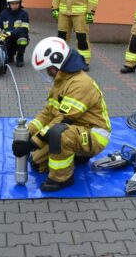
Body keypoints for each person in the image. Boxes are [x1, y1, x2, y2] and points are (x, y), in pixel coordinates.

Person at [12, 37, 112, 192]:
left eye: (48, 68)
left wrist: (33, 143)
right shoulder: (62, 81)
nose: (47, 72)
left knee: (59, 133)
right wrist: (28, 133)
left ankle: (62, 178)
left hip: (94, 134)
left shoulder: (80, 83)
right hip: (76, 128)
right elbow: (47, 113)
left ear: (57, 64)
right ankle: (78, 156)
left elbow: (62, 119)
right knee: (37, 163)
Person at [0, 0, 30, 67]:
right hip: (7, 37)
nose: (14, 5)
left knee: (23, 38)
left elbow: (24, 29)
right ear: (8, 4)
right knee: (0, 39)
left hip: (19, 36)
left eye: (16, 3)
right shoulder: (3, 14)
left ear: (20, 3)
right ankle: (10, 55)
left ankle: (20, 57)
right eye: (12, 3)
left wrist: (10, 33)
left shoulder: (24, 14)